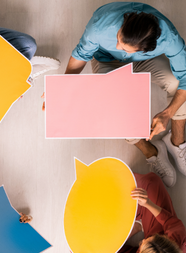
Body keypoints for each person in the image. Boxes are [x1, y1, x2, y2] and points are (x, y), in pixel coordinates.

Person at [65, 2, 186, 187]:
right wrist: (63, 90)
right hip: (107, 62)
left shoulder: (169, 39)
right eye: (118, 39)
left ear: (147, 48)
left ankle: (176, 142)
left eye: (122, 46)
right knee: (113, 109)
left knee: (177, 83)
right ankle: (151, 151)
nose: (116, 45)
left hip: (145, 61)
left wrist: (167, 113)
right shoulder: (99, 27)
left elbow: (185, 78)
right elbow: (81, 55)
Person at [72, 172, 186, 253]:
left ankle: (131, 232)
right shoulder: (179, 240)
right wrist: (147, 203)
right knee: (151, 182)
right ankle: (138, 226)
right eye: (147, 241)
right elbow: (169, 220)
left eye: (142, 246)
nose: (141, 241)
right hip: (159, 241)